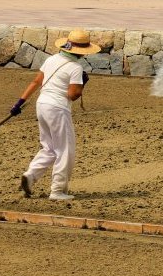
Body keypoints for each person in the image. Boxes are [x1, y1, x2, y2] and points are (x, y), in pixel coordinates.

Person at [11, 29, 99, 200]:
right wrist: (82, 84)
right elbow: (73, 95)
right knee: (65, 150)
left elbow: (37, 81)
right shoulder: (75, 67)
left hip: (42, 105)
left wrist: (19, 103)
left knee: (49, 147)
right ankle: (58, 191)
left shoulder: (52, 59)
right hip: (58, 108)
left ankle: (31, 175)